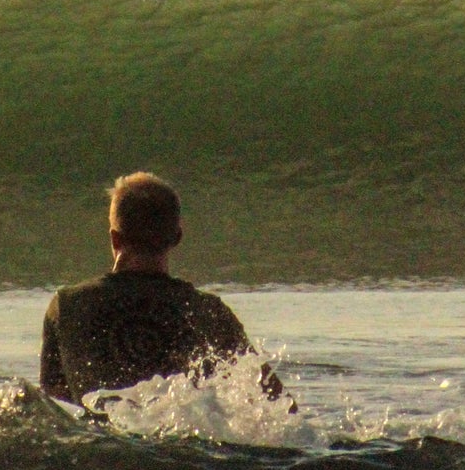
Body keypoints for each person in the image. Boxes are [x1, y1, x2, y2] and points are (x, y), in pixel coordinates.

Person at [39, 171, 286, 405]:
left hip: (100, 444)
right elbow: (276, 403)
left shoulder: (69, 306)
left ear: (115, 237)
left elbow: (54, 403)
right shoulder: (207, 312)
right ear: (177, 237)